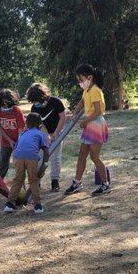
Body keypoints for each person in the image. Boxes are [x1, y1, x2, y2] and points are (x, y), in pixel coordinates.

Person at [65, 63, 110, 196]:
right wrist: (75, 112)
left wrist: (85, 121)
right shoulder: (87, 90)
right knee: (82, 154)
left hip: (96, 124)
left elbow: (97, 111)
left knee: (94, 156)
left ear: (89, 77)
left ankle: (105, 185)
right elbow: (82, 102)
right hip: (90, 125)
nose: (80, 82)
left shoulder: (96, 90)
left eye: (81, 79)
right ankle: (77, 183)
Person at [4, 113, 49, 214]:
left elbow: (17, 148)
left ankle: (10, 204)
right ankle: (37, 206)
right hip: (32, 158)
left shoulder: (23, 134)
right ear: (40, 125)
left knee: (18, 179)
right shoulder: (40, 134)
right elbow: (46, 151)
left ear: (26, 124)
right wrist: (44, 165)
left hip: (17, 157)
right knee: (33, 180)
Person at [26, 83, 66, 192]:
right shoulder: (34, 107)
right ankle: (36, 181)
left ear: (42, 96)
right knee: (38, 158)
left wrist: (55, 133)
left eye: (36, 100)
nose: (35, 104)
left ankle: (55, 181)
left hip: (58, 132)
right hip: (42, 134)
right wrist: (46, 135)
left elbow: (62, 118)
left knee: (55, 158)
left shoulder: (56, 102)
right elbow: (40, 124)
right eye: (33, 102)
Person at [0, 89, 25, 182]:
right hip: (6, 142)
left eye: (8, 105)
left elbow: (21, 129)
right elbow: (0, 128)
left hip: (19, 141)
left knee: (19, 164)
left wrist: (18, 143)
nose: (6, 108)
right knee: (2, 164)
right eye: (3, 106)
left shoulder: (17, 111)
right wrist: (10, 141)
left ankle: (20, 183)